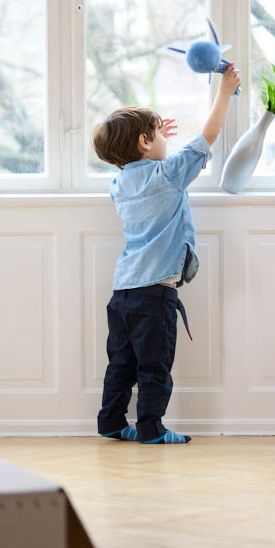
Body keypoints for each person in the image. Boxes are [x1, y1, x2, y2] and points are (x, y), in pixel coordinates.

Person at [91, 63, 241, 444]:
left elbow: (142, 161)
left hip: (123, 292)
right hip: (155, 294)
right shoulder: (169, 175)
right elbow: (208, 136)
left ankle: (110, 421)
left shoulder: (118, 184)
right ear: (144, 142)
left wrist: (150, 141)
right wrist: (224, 92)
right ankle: (151, 428)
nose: (165, 140)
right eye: (159, 134)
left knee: (121, 364)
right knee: (155, 366)